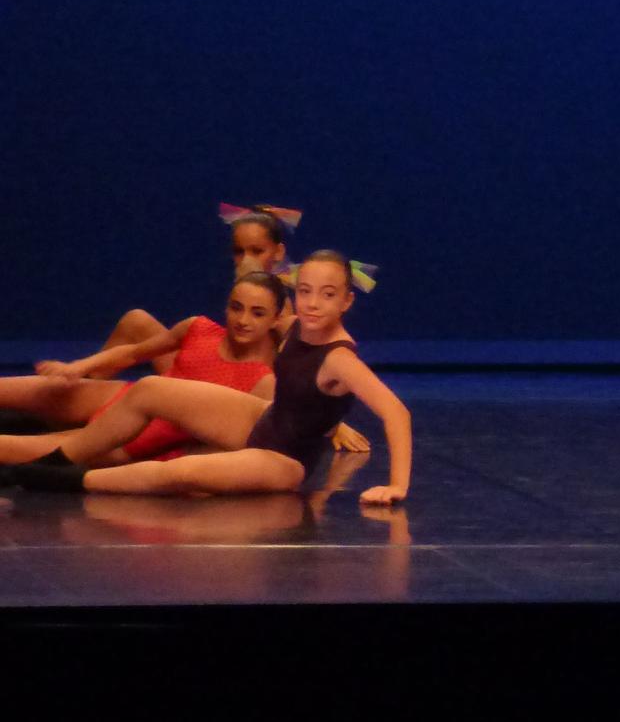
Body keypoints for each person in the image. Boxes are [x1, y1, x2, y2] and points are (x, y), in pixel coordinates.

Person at [0, 251, 411, 504]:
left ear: (347, 300)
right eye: (305, 291)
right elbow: (263, 302)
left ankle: (64, 478)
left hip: (285, 459)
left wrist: (396, 486)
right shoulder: (293, 325)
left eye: (327, 294)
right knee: (150, 388)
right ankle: (62, 456)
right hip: (264, 418)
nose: (313, 303)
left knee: (182, 474)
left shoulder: (341, 358)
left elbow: (396, 413)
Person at [0, 271, 286, 462]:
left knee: (12, 448)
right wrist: (78, 366)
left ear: (275, 320)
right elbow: (134, 352)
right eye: (236, 307)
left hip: (139, 437)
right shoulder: (198, 327)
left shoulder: (263, 380)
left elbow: (241, 447)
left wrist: (171, 464)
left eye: (257, 313)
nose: (243, 320)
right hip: (123, 396)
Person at [91, 203, 298, 378]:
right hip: (210, 364)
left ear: (278, 252)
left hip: (225, 383)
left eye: (257, 251)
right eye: (238, 251)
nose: (246, 260)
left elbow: (286, 365)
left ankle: (79, 389)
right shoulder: (244, 287)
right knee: (136, 321)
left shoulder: (280, 305)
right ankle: (83, 384)